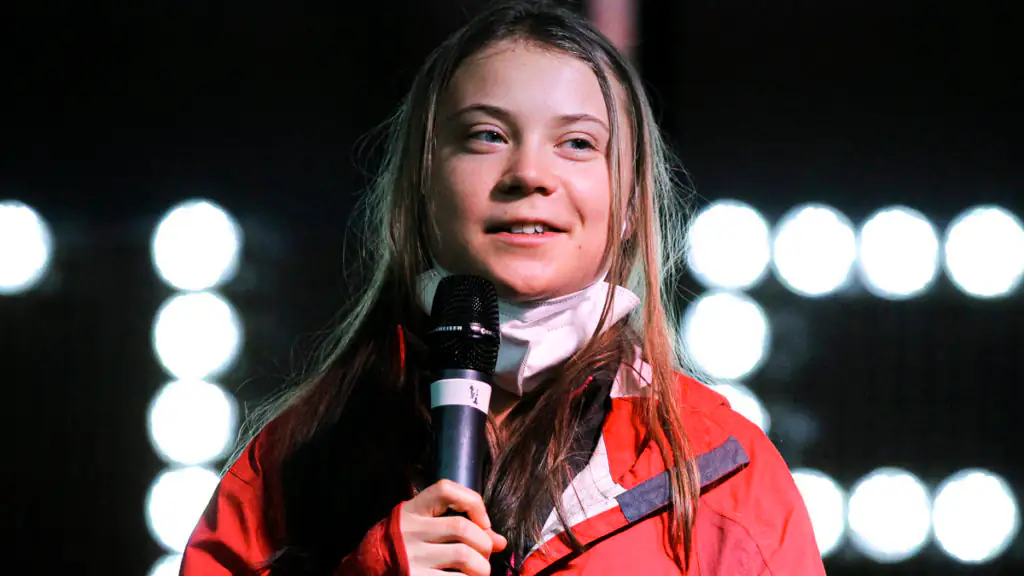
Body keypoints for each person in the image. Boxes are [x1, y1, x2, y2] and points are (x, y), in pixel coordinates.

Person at [181, 1, 825, 574]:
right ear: (422, 187)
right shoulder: (294, 459)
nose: (529, 173)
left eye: (578, 143)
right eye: (487, 135)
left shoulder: (724, 475)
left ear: (629, 204)